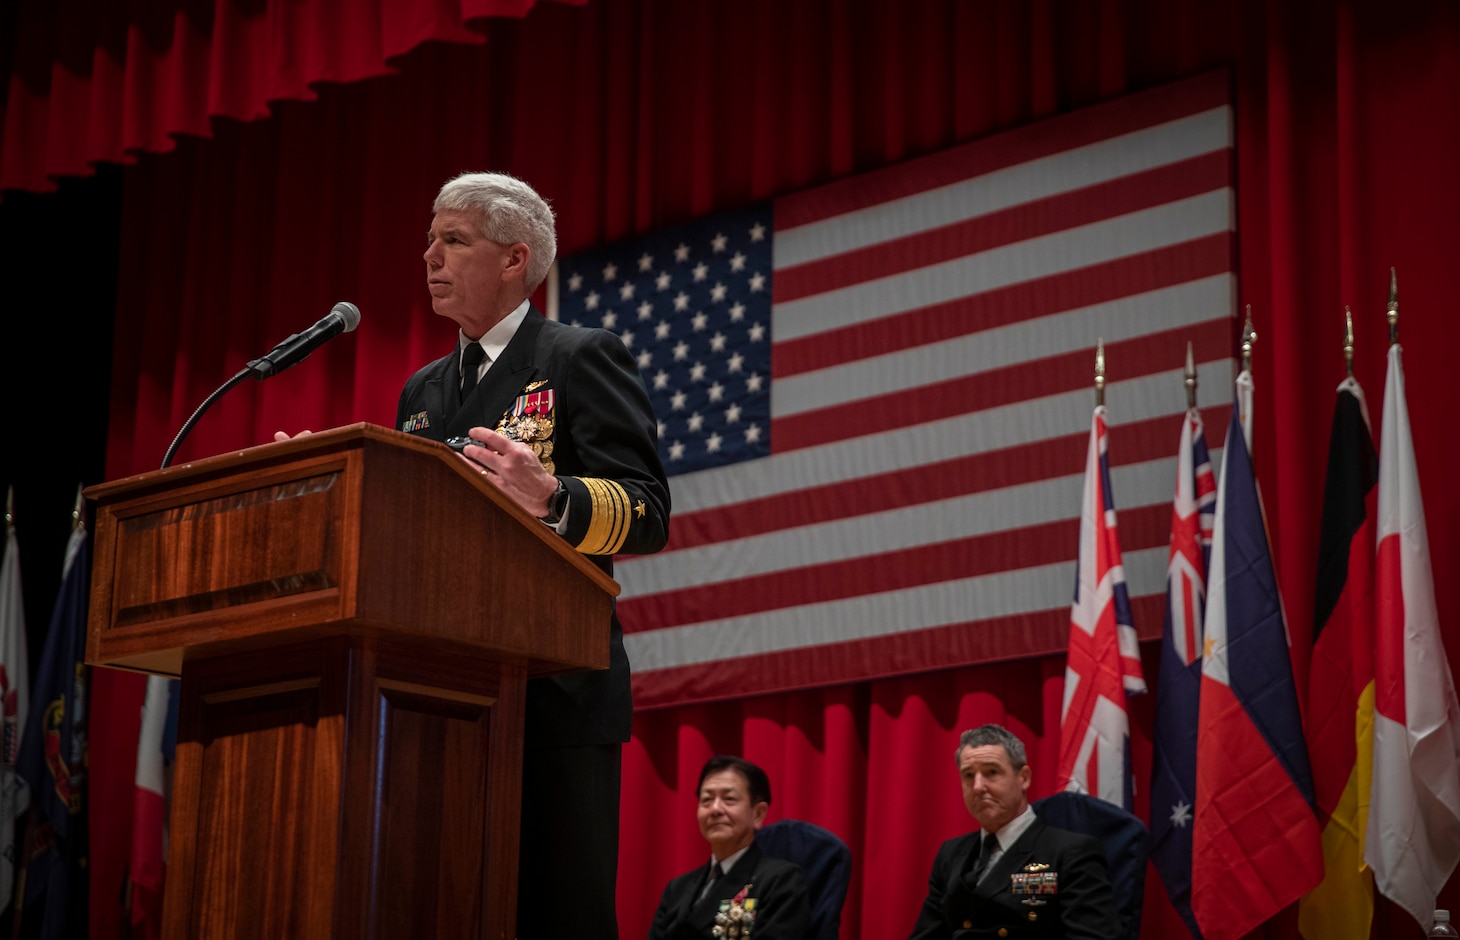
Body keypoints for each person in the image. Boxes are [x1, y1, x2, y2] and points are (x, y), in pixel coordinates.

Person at [398, 171, 671, 937]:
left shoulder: (579, 357)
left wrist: (553, 497)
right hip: (446, 695)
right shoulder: (420, 391)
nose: (430, 256)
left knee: (558, 914)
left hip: (555, 687)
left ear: (516, 259)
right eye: (429, 239)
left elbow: (649, 512)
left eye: (453, 240)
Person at [908, 725, 1120, 940]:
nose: (978, 786)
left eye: (992, 772)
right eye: (969, 775)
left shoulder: (1070, 853)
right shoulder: (952, 853)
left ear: (1024, 778)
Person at [649, 756, 812, 940]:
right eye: (706, 800)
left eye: (729, 799)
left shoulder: (781, 881)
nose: (715, 809)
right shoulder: (677, 888)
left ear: (758, 814)